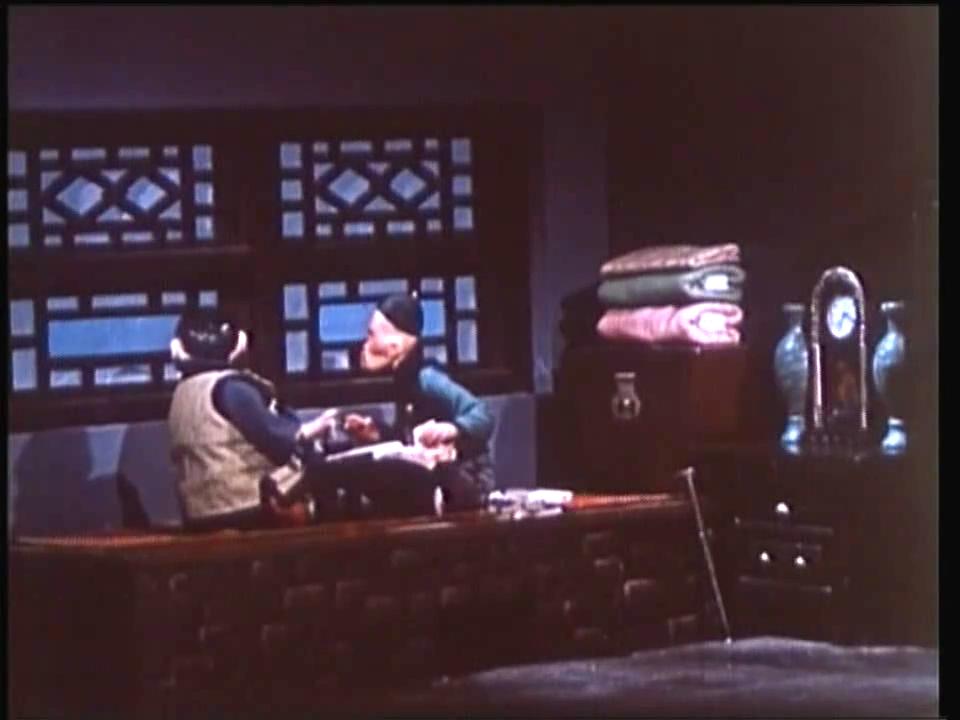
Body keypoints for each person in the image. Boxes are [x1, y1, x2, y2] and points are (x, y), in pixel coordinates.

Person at [166, 308, 336, 531]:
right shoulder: (232, 388)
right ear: (240, 344)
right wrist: (312, 430)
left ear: (177, 347)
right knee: (329, 478)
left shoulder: (182, 392)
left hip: (198, 512)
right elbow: (278, 440)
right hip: (246, 506)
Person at [342, 293, 496, 511]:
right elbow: (408, 440)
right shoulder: (404, 382)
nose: (366, 345)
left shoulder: (427, 378)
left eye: (371, 335)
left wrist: (452, 429)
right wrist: (376, 434)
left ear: (395, 344)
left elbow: (482, 413)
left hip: (465, 482)